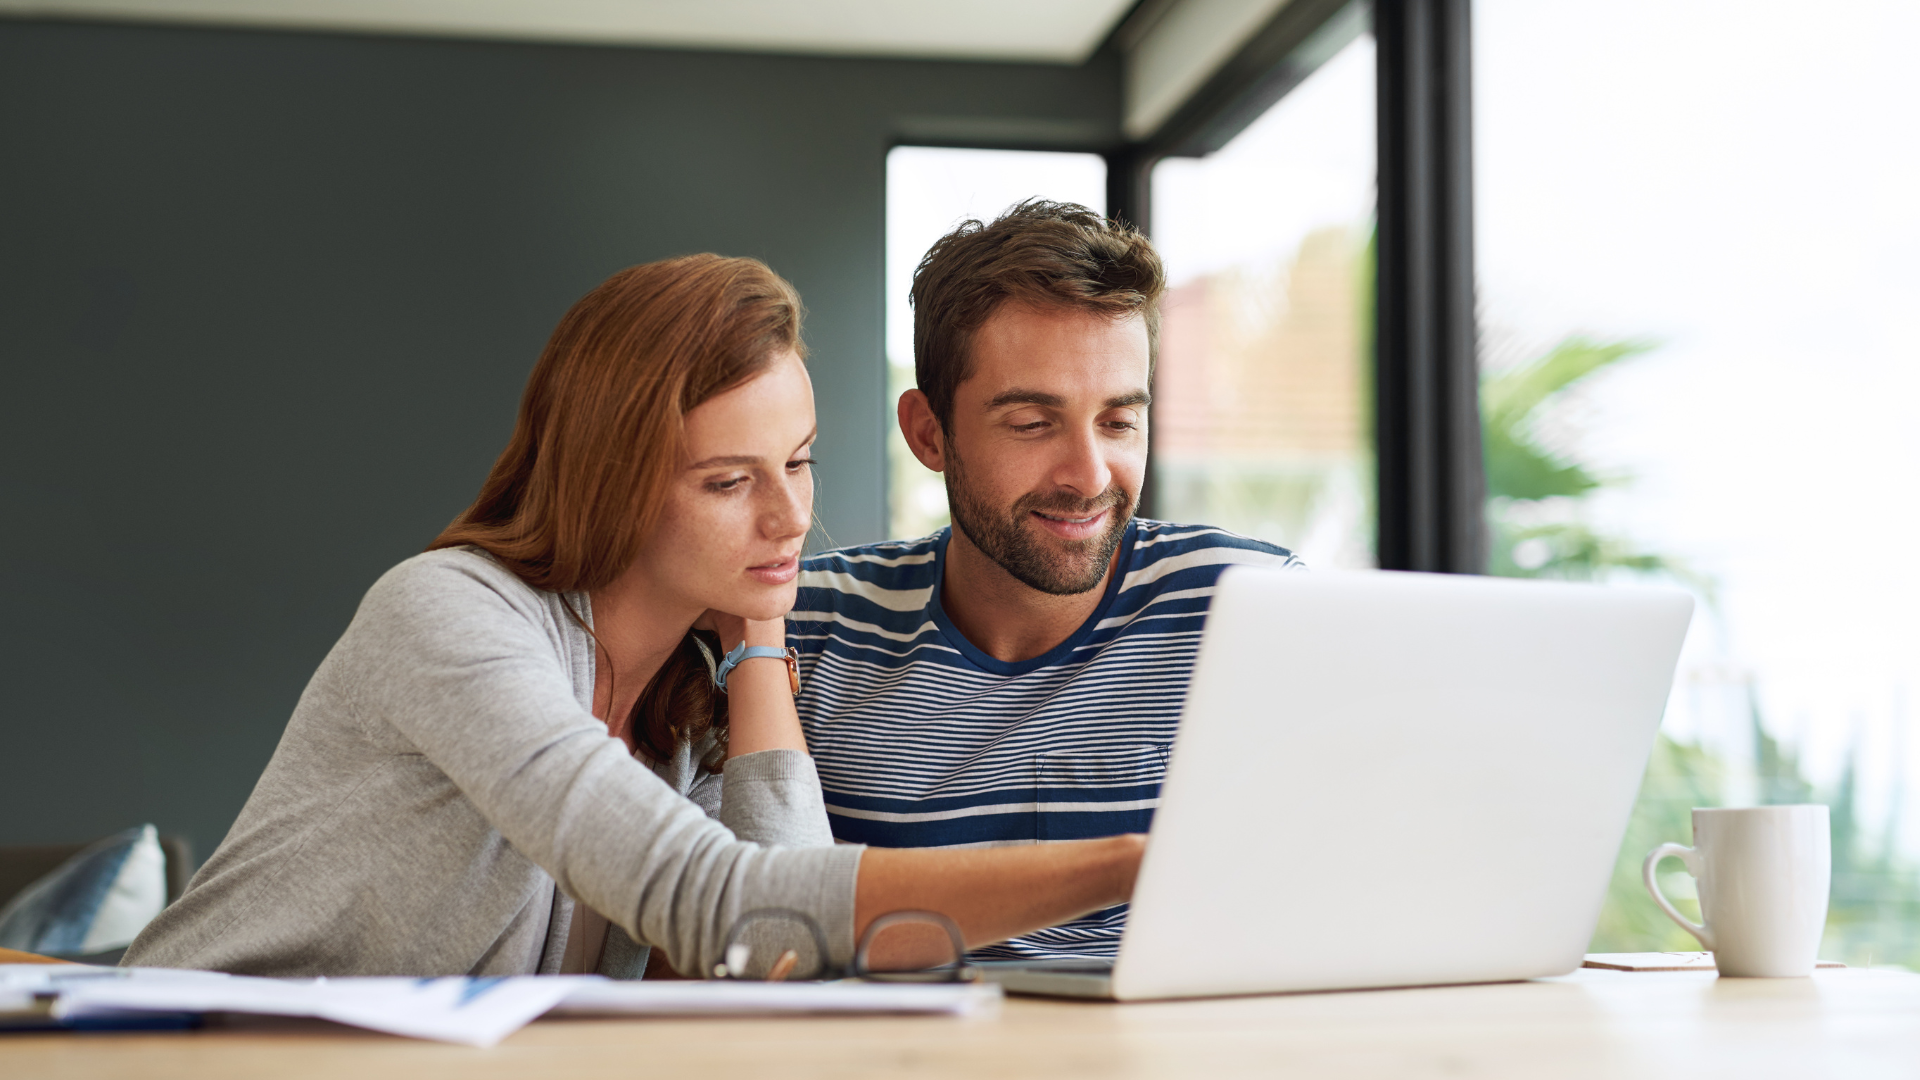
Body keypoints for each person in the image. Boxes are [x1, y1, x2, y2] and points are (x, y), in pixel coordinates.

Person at [124, 254, 1144, 979]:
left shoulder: (684, 708)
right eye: (728, 480)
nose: (793, 515)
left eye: (797, 462)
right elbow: (732, 908)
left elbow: (768, 964)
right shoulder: (447, 617)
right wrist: (1135, 864)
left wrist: (760, 632)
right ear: (612, 484)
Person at [791, 202, 1300, 961]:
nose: (1089, 476)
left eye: (1119, 422)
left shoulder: (1252, 606)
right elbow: (750, 931)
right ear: (929, 433)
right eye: (1033, 423)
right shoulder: (807, 625)